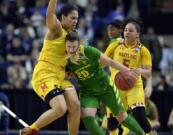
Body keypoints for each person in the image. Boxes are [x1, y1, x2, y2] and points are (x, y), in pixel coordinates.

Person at [65, 31, 145, 135]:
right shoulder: (65, 60)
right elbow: (65, 75)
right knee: (87, 119)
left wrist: (128, 71)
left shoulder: (89, 51)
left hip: (105, 86)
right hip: (88, 91)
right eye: (68, 47)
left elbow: (110, 62)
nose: (71, 50)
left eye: (74, 47)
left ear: (79, 44)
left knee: (122, 118)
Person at [20, 1, 80, 135]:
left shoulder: (73, 35)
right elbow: (49, 15)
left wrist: (69, 70)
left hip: (60, 76)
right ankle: (31, 130)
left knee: (75, 106)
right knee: (60, 108)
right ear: (63, 17)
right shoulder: (57, 29)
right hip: (45, 74)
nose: (75, 20)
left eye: (77, 18)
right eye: (72, 17)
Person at [104, 18, 154, 135]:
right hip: (116, 86)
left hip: (134, 85)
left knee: (140, 116)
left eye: (130, 31)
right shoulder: (115, 44)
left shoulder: (143, 50)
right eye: (125, 30)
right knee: (112, 124)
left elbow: (148, 73)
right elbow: (103, 60)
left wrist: (139, 70)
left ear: (138, 34)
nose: (127, 32)